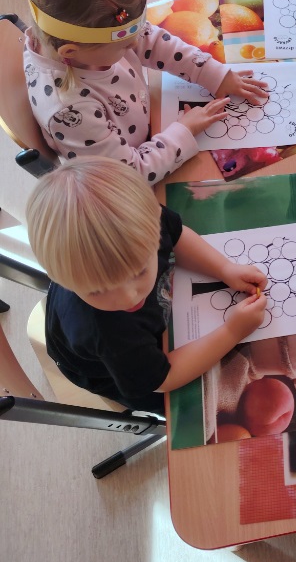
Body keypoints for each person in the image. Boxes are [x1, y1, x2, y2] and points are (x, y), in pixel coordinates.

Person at [25, 156, 268, 414]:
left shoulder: (138, 224)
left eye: (139, 271)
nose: (129, 296)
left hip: (133, 338)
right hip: (109, 367)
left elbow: (176, 235)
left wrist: (224, 268)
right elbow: (164, 379)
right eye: (97, 291)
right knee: (183, 407)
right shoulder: (106, 332)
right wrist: (232, 331)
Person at [23, 0, 270, 183]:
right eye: (124, 46)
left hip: (149, 125)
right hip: (134, 172)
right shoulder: (70, 111)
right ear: (70, 52)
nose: (135, 44)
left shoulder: (85, 41)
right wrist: (185, 130)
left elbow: (152, 41)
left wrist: (212, 74)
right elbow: (129, 175)